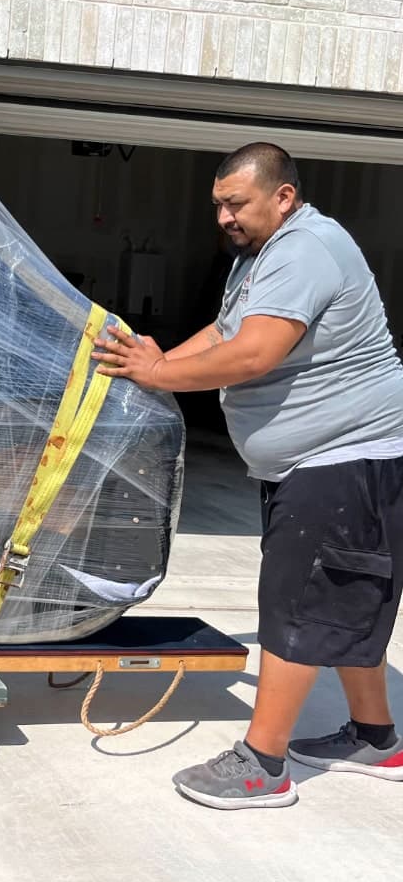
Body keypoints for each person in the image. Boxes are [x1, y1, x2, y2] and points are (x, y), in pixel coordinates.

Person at [92, 142, 403, 810]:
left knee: (296, 605)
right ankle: (379, 740)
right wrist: (158, 367)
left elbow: (256, 353)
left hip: (344, 458)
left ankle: (264, 767)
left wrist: (160, 374)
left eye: (237, 203)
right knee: (346, 599)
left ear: (282, 197)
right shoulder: (264, 257)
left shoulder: (303, 250)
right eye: (218, 206)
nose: (225, 217)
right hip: (326, 459)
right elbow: (227, 329)